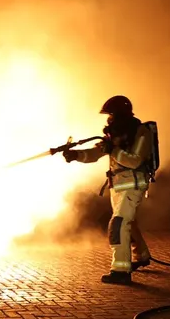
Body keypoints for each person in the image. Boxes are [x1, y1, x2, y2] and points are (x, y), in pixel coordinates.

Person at [63, 95, 152, 285]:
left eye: (112, 114)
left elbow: (135, 161)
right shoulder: (115, 135)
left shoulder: (142, 132)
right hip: (118, 187)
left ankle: (121, 271)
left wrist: (113, 150)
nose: (109, 119)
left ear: (122, 114)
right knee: (128, 222)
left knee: (119, 224)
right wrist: (76, 155)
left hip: (133, 185)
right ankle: (142, 256)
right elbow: (95, 153)